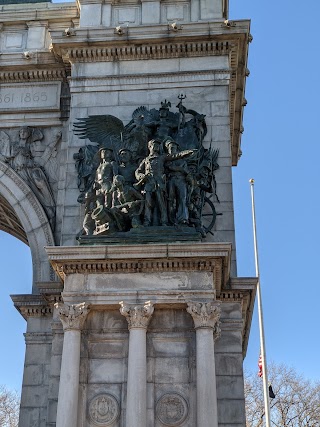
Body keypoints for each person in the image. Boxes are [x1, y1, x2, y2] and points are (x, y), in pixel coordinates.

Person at [135, 138, 195, 226]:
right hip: (149, 182)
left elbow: (175, 155)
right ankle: (146, 221)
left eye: (157, 145)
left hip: (159, 182)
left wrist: (186, 152)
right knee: (147, 202)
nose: (156, 147)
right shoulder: (146, 160)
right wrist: (141, 176)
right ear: (150, 147)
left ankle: (164, 221)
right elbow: (138, 171)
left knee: (161, 202)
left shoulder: (162, 157)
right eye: (154, 145)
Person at [165, 139, 190, 225]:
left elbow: (187, 172)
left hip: (181, 180)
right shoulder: (167, 160)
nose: (171, 149)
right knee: (170, 200)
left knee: (182, 199)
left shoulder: (182, 161)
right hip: (171, 180)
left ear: (176, 148)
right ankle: (170, 220)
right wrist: (180, 169)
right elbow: (168, 168)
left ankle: (183, 218)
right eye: (170, 148)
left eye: (173, 147)